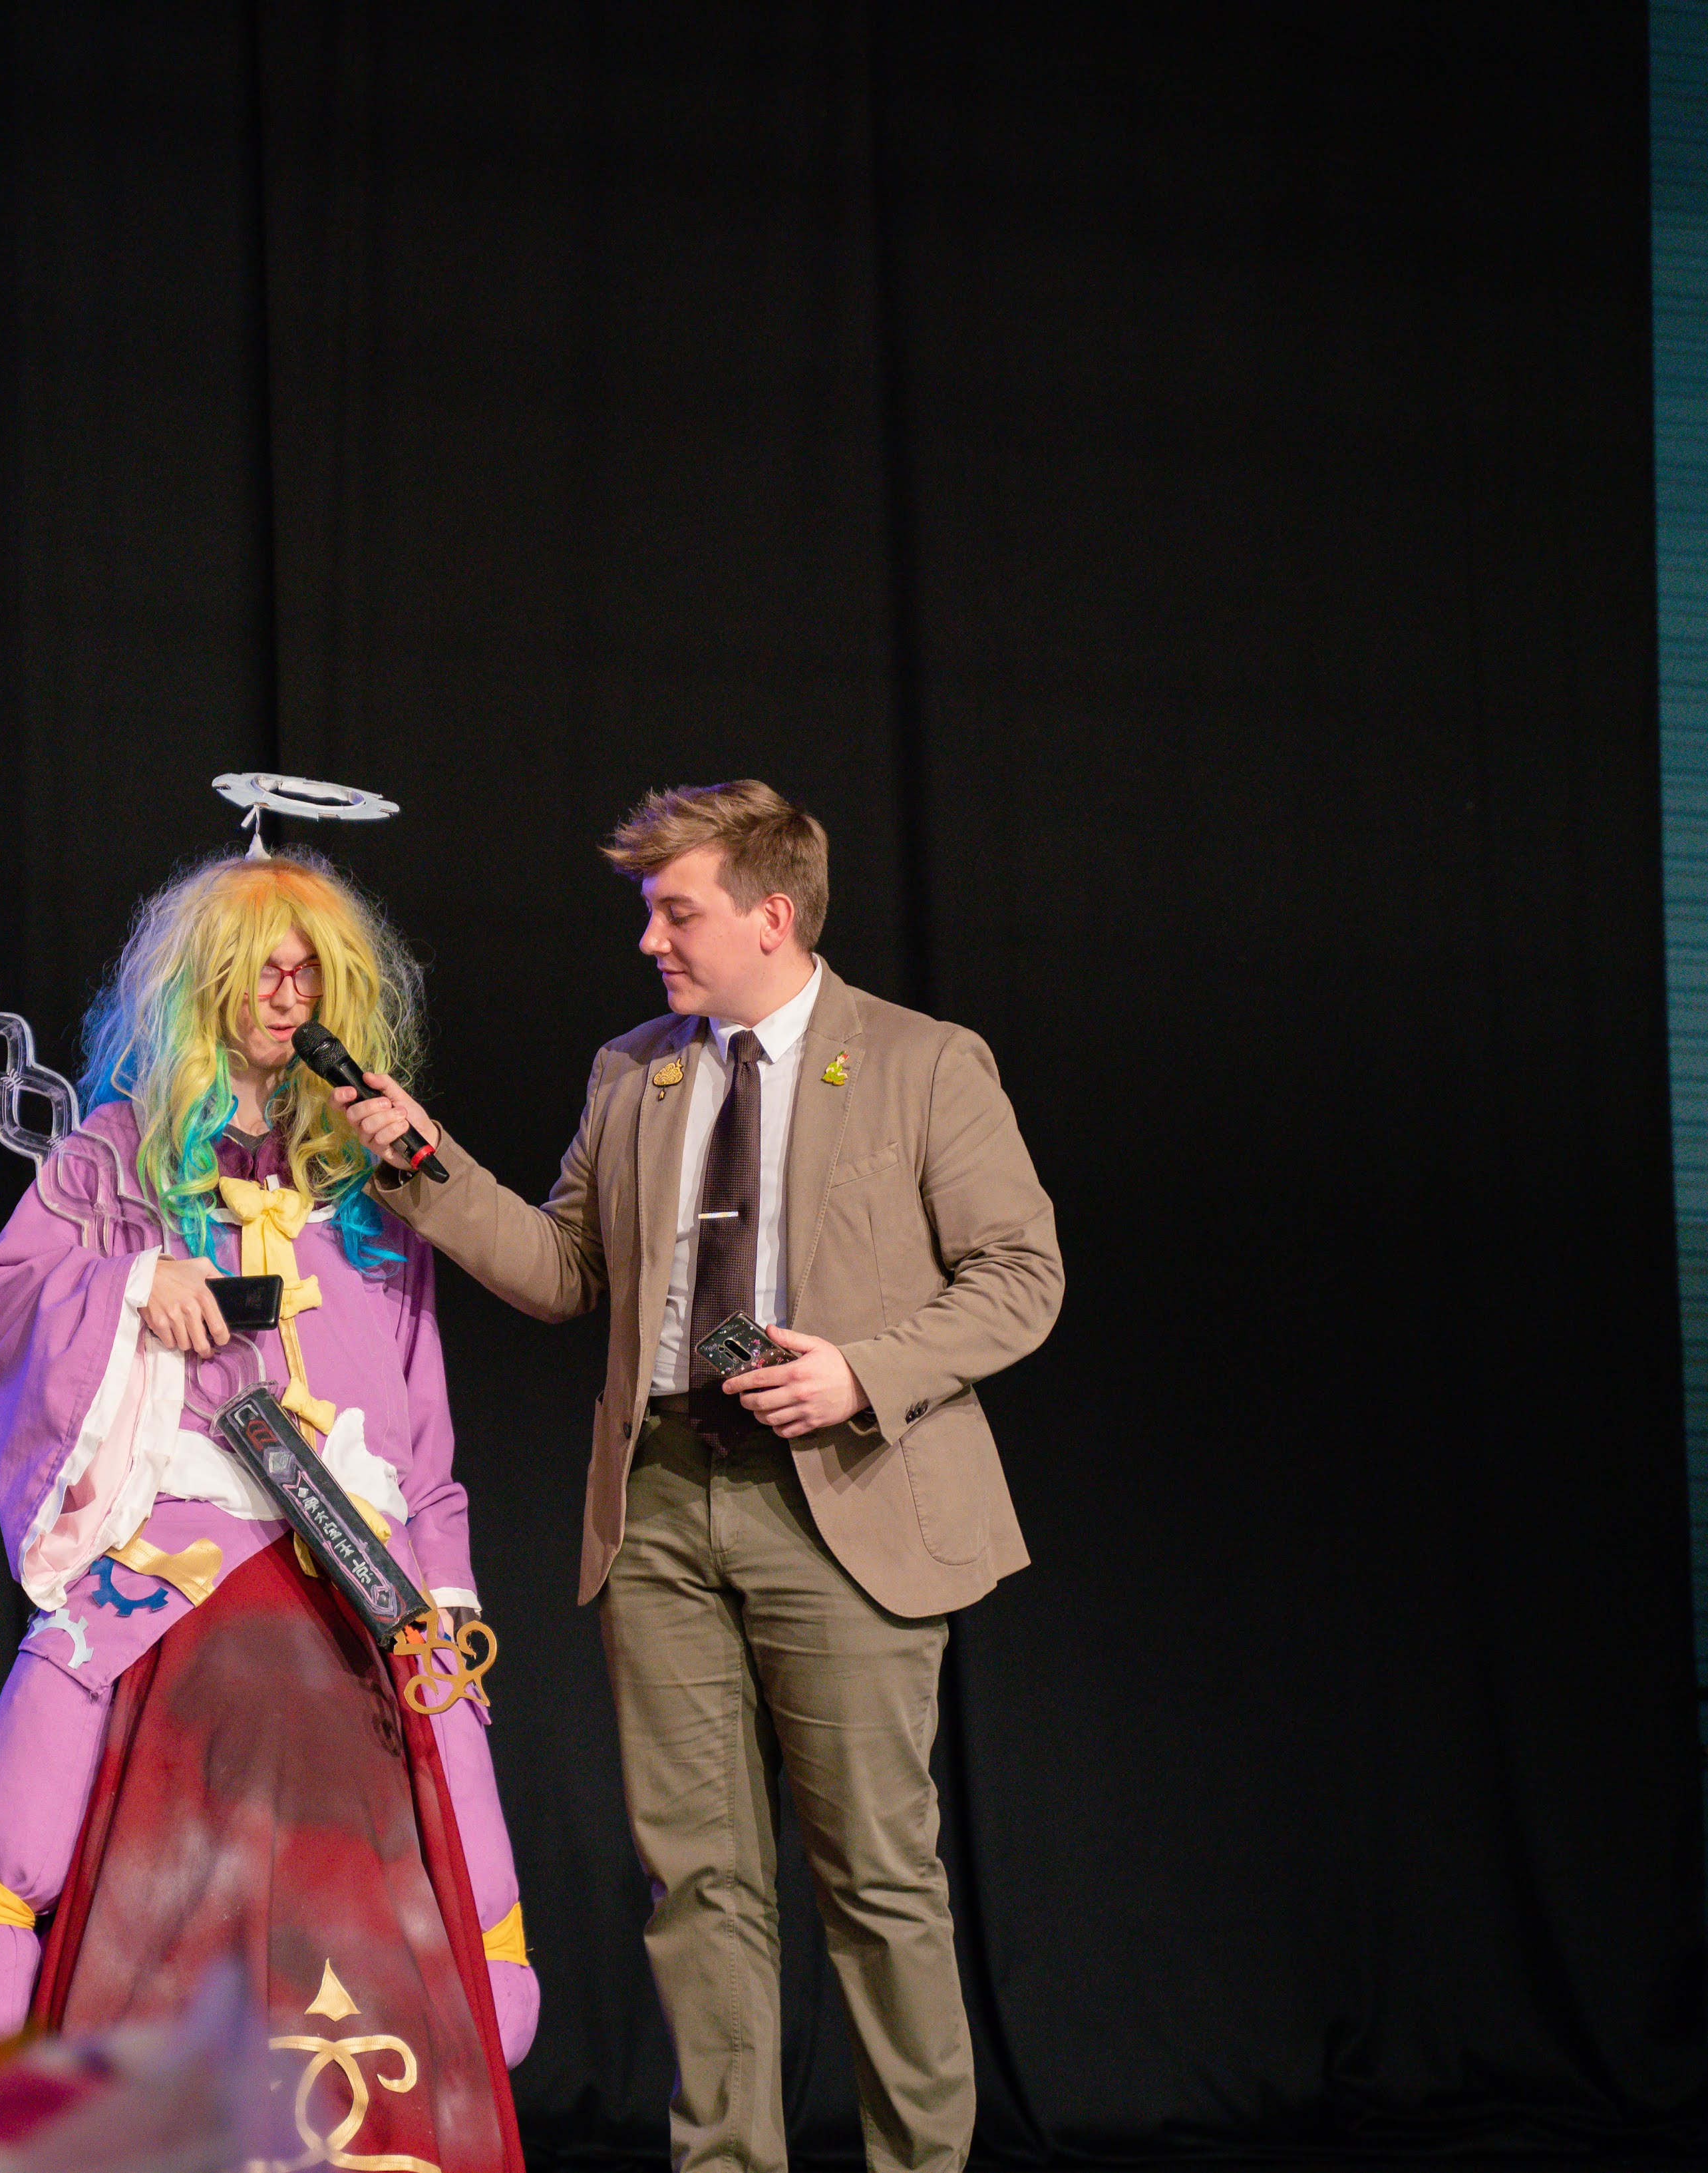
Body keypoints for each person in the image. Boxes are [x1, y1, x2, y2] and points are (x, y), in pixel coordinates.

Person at [337, 780, 1062, 2173]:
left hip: (840, 1497)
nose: (649, 941)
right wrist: (427, 1165)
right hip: (662, 1502)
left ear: (771, 916)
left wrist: (863, 1371)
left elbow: (1020, 1275)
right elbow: (565, 1271)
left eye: (676, 912)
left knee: (876, 1876)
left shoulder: (920, 1062)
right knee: (698, 1878)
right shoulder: (634, 1072)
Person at [0, 848, 536, 2171]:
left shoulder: (371, 1186)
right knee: (115, 1709)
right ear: (204, 982)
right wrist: (131, 1287)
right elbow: (8, 1299)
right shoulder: (113, 1157)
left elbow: (421, 1427)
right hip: (182, 1560)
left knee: (415, 1763)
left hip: (363, 1569)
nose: (284, 993)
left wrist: (443, 1602)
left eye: (308, 972)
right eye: (261, 968)